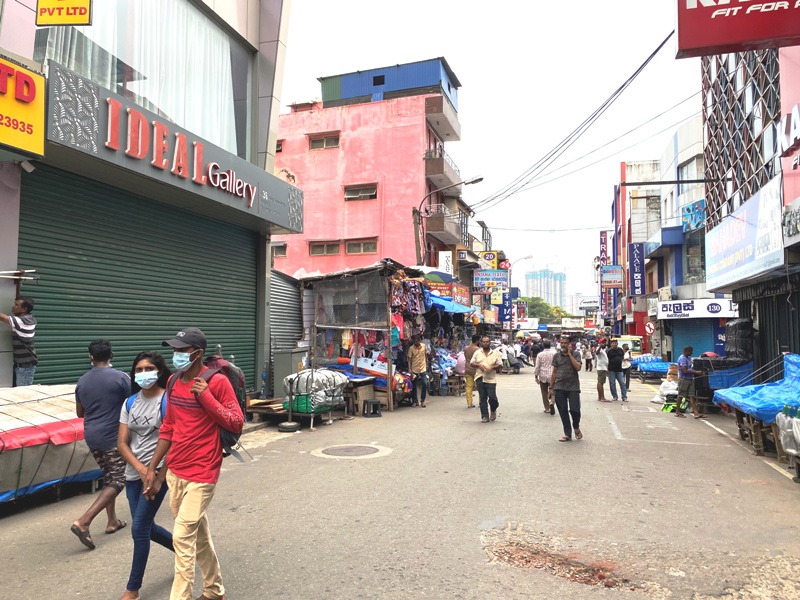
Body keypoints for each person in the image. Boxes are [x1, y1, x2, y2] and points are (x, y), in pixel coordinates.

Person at [144, 327, 243, 600]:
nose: (176, 354)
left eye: (181, 350)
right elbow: (169, 427)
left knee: (182, 538)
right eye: (174, 349)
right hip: (176, 471)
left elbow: (236, 422)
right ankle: (214, 590)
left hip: (203, 473)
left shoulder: (217, 382)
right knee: (198, 536)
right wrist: (153, 468)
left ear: (197, 353)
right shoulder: (174, 381)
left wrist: (206, 396)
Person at [118, 351, 175, 600]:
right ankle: (185, 550)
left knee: (139, 528)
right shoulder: (129, 403)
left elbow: (173, 441)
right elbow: (122, 443)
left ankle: (133, 589)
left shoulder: (168, 400)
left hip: (158, 475)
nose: (143, 374)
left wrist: (156, 475)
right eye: (139, 370)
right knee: (147, 527)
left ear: (159, 372)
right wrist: (142, 470)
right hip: (134, 475)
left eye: (148, 369)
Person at [71, 339, 132, 550]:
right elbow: (133, 405)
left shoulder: (82, 381)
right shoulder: (121, 378)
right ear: (111, 355)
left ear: (90, 357)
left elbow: (80, 413)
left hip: (92, 436)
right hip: (113, 437)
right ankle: (84, 521)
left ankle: (112, 521)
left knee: (109, 477)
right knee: (119, 479)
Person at [549, 336, 583, 442]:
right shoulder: (556, 356)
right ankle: (567, 434)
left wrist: (569, 354)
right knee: (563, 411)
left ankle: (576, 427)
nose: (563, 345)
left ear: (569, 344)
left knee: (575, 410)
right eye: (562, 343)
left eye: (565, 343)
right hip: (559, 387)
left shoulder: (576, 354)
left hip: (573, 387)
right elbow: (554, 372)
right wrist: (551, 387)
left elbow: (578, 367)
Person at [0, 297, 37, 386]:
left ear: (24, 309)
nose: (13, 306)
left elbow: (2, 318)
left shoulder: (23, 321)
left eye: (16, 305)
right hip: (22, 364)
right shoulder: (28, 318)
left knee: (24, 391)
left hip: (25, 366)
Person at [471, 336, 503, 423]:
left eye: (487, 342)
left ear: (490, 343)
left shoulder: (495, 353)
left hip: (491, 379)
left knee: (492, 398)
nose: (485, 343)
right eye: (484, 342)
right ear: (481, 343)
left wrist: (492, 367)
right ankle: (485, 416)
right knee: (483, 398)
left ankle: (493, 409)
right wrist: (479, 365)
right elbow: (472, 363)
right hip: (480, 377)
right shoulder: (477, 353)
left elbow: (500, 364)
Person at [676, 345, 707, 419]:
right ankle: (677, 411)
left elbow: (690, 368)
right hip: (684, 379)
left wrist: (698, 372)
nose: (692, 353)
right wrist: (696, 372)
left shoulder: (688, 358)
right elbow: (684, 370)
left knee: (691, 396)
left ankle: (696, 413)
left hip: (690, 379)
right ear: (686, 351)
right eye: (691, 351)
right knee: (681, 395)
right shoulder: (682, 359)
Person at [534, 340, 556, 415]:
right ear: (550, 345)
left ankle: (547, 408)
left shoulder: (540, 355)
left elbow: (537, 366)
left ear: (543, 345)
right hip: (552, 375)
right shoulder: (555, 353)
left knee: (544, 392)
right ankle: (552, 402)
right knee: (553, 390)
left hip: (543, 375)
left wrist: (536, 376)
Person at [407, 335, 429, 407]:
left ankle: (422, 400)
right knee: (414, 385)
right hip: (414, 368)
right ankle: (415, 401)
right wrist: (410, 369)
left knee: (424, 383)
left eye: (416, 341)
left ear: (419, 340)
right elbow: (409, 359)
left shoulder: (424, 346)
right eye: (414, 342)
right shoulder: (411, 348)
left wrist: (427, 364)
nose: (415, 343)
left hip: (423, 368)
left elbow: (425, 355)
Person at [463, 334, 481, 408]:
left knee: (469, 387)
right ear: (477, 341)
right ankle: (481, 403)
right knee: (480, 387)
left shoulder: (466, 348)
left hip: (468, 369)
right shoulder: (478, 349)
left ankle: (469, 404)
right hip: (476, 370)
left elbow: (465, 357)